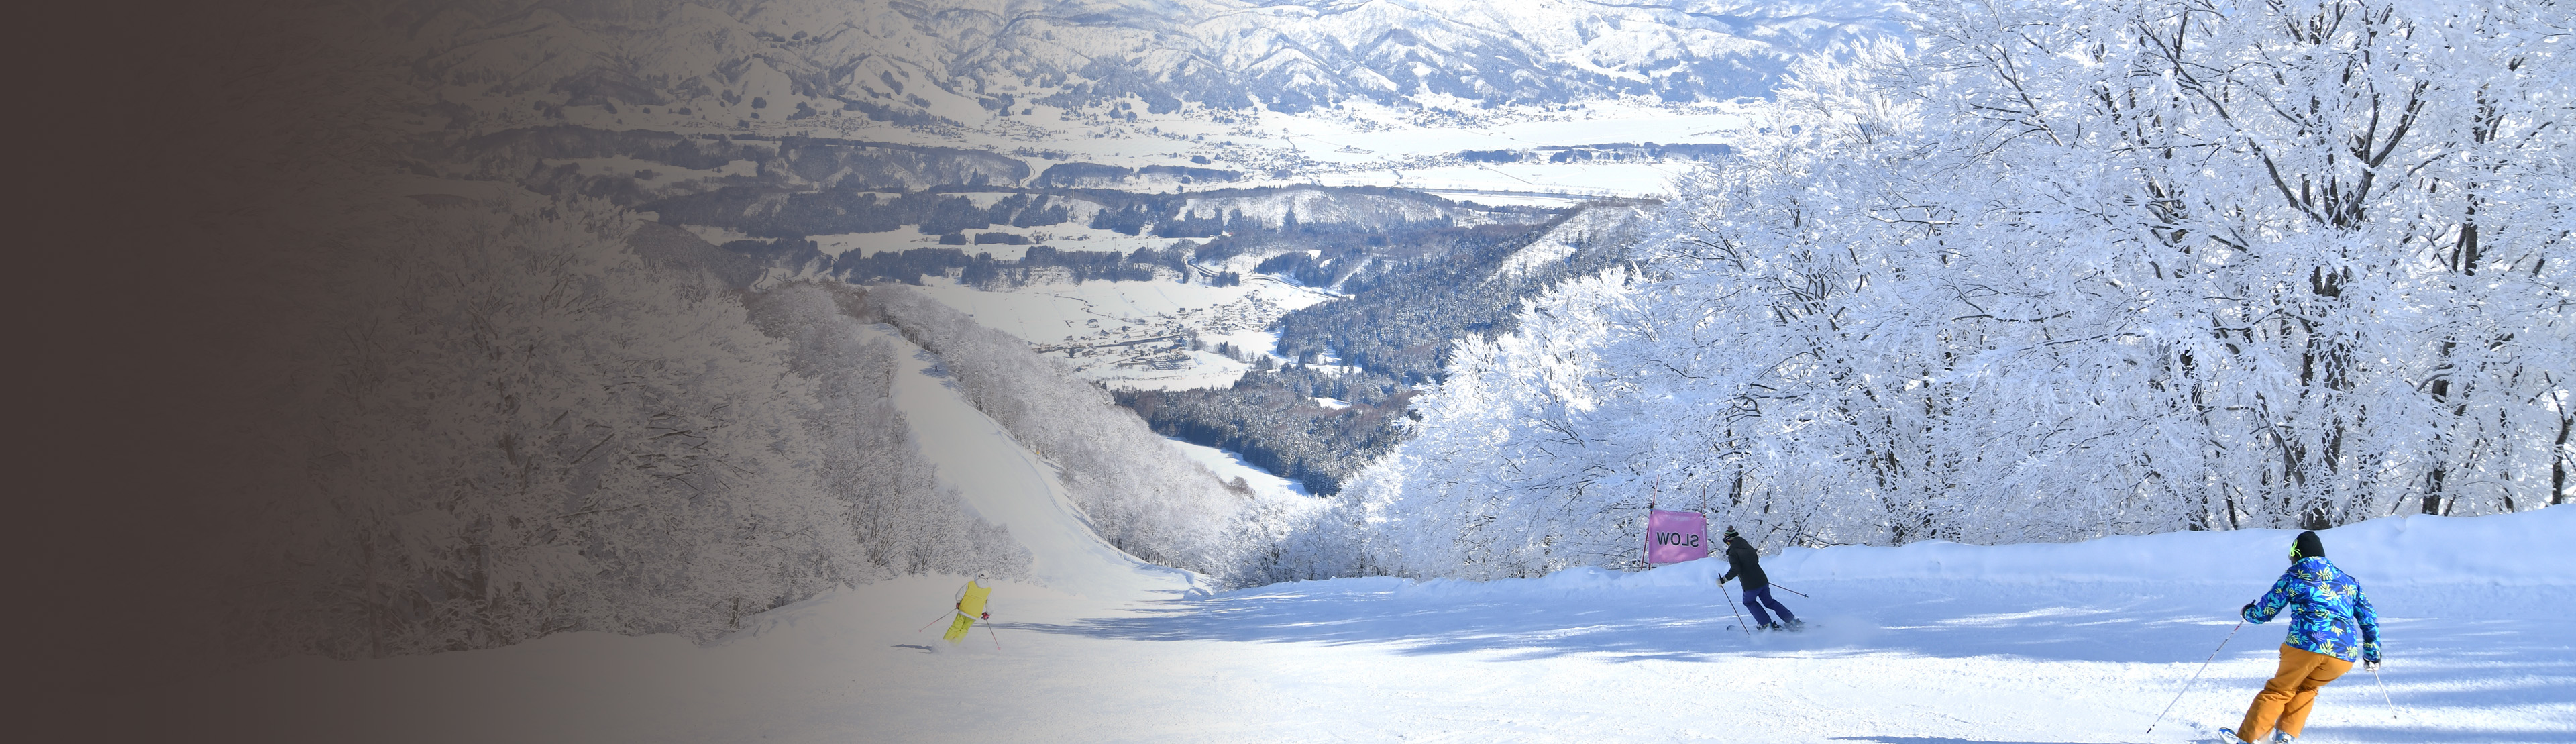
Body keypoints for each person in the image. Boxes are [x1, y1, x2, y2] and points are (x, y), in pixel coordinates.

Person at [2220, 531, 2381, 744]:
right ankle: (2287, 735)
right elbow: (2369, 620)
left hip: (2305, 645)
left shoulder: (2294, 576)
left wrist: (2247, 613)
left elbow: (2265, 612)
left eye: (2291, 557)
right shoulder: (2349, 582)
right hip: (2343, 656)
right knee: (2307, 687)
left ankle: (2250, 738)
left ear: (2297, 554)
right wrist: (2372, 654)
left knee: (2280, 690)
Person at [1719, 527, 1800, 630]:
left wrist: (1723, 580)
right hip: (1763, 580)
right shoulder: (1747, 546)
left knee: (1748, 602)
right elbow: (1755, 560)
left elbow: (1736, 569)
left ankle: (1766, 624)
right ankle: (1791, 620)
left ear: (1728, 540)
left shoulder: (1733, 551)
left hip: (1751, 584)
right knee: (1769, 602)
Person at [943, 572, 994, 645]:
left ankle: (944, 643)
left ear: (979, 576)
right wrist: (988, 613)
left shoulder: (971, 584)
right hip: (974, 614)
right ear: (988, 578)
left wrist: (958, 602)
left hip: (963, 610)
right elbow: (991, 605)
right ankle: (954, 644)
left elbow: (959, 594)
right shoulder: (989, 590)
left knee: (955, 627)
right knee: (964, 629)